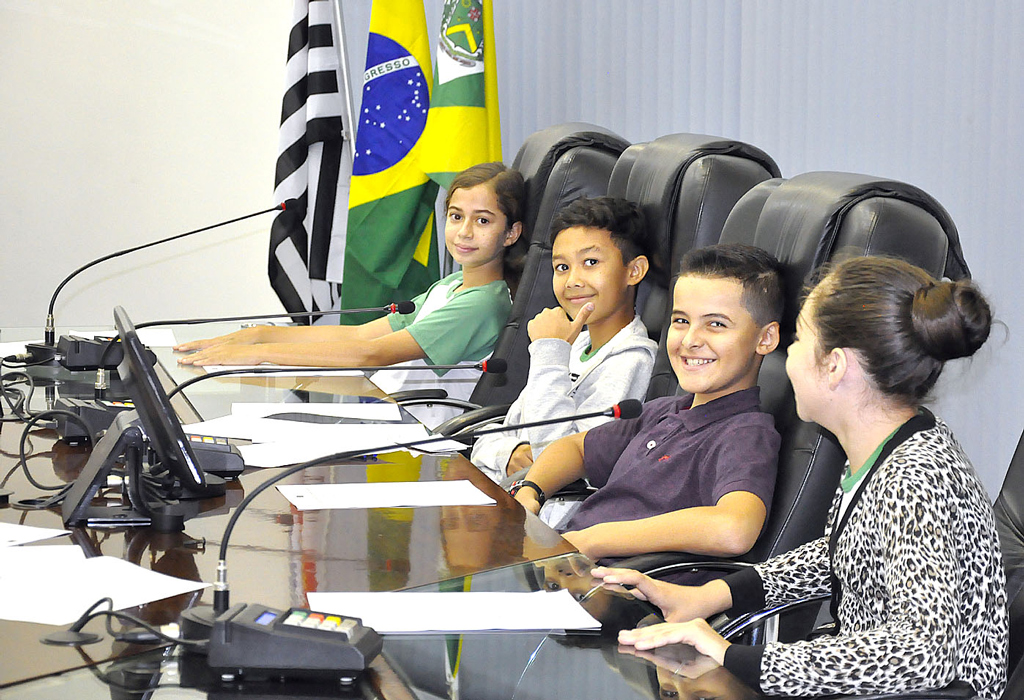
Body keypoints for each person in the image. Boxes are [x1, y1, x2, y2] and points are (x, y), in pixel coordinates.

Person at [600, 256, 1008, 699]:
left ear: (834, 366)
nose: (789, 356)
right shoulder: (884, 446)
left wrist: (733, 655)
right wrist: (712, 596)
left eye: (799, 339)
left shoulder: (916, 479)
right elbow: (843, 552)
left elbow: (922, 652)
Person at [175, 162, 527, 418]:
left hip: (419, 435)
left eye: (482, 220)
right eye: (455, 216)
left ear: (511, 233)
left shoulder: (482, 304)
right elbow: (361, 335)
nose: (464, 231)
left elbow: (369, 355)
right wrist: (260, 335)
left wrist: (263, 354)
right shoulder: (452, 285)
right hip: (391, 413)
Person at [513, 244, 783, 576]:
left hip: (620, 596)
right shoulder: (665, 411)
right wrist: (530, 491)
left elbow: (734, 529)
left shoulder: (745, 433)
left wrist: (597, 540)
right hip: (570, 567)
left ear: (766, 338)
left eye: (715, 325)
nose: (689, 340)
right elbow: (575, 447)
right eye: (681, 321)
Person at [470, 196, 657, 483]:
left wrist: (548, 353)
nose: (572, 281)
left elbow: (562, 471)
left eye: (591, 262)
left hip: (550, 521)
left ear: (634, 271)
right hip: (507, 498)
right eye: (562, 267)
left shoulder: (633, 361)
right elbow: (486, 442)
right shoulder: (573, 345)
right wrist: (510, 454)